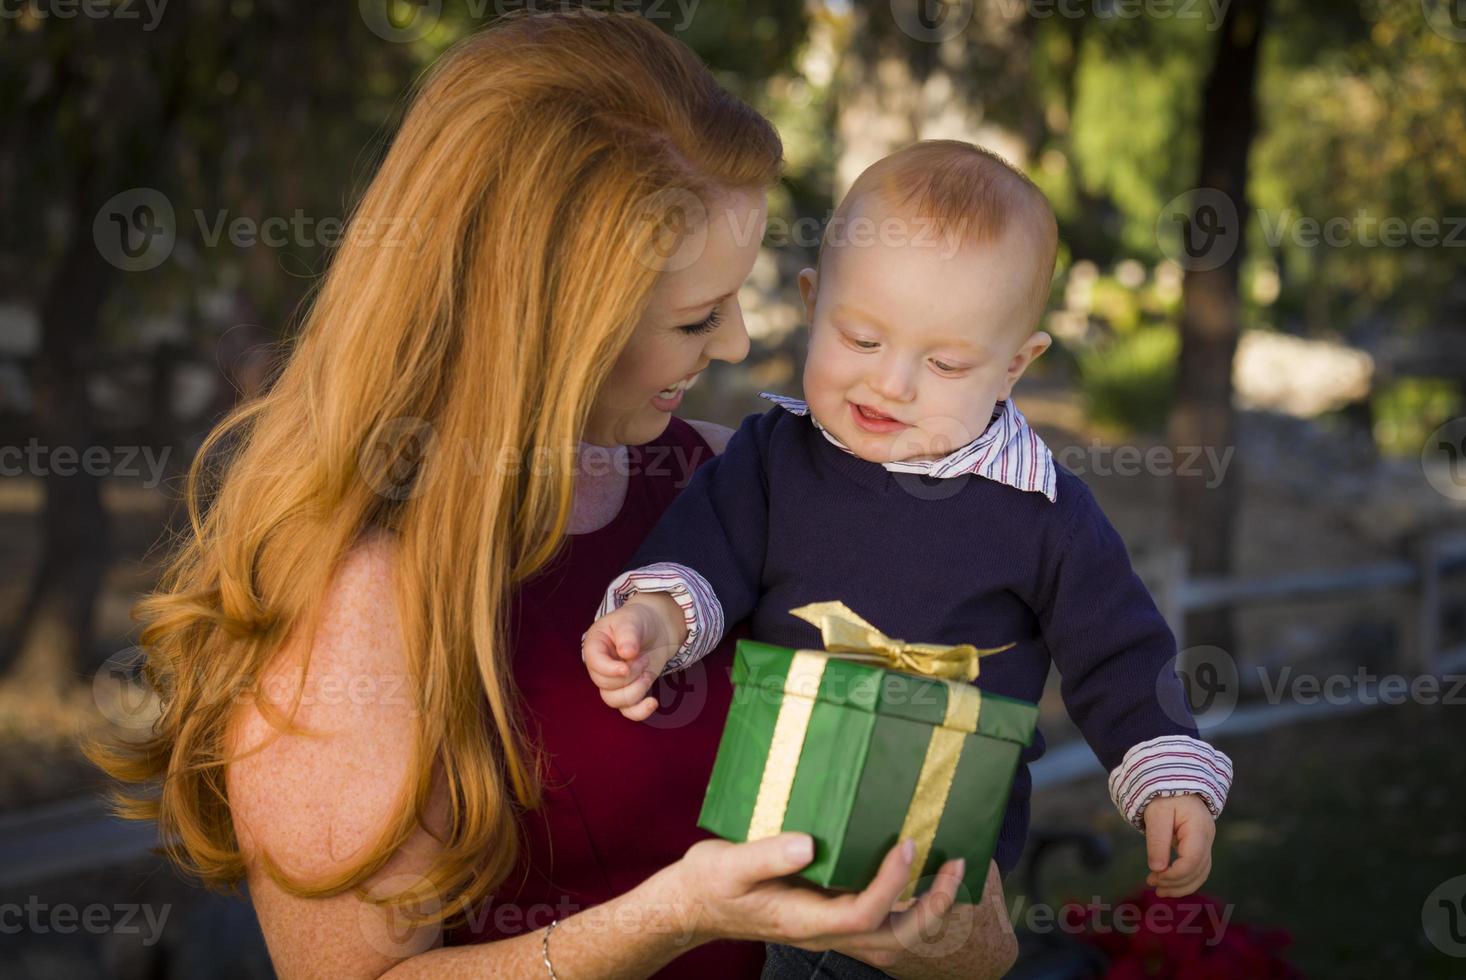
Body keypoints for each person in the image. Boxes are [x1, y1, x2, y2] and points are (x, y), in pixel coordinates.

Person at [86, 14, 1018, 980]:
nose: (738, 345)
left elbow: (958, 917)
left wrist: (947, 933)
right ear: (552, 320)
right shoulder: (357, 591)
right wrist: (672, 916)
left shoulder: (734, 484)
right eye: (698, 315)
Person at [583, 142, 1235, 977]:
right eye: (859, 338)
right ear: (814, 306)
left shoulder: (1041, 512)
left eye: (945, 363)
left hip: (938, 869)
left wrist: (1164, 775)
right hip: (771, 832)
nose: (890, 384)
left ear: (1014, 367)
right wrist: (653, 619)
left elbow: (1119, 654)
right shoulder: (776, 458)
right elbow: (704, 552)